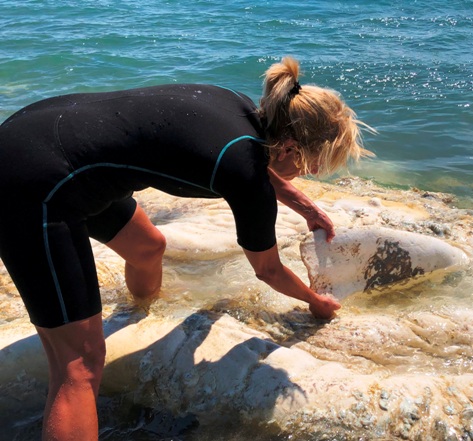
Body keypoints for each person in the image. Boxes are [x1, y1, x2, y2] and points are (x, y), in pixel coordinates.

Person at [0, 56, 372, 441]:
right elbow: (268, 270)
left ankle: (134, 317)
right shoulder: (245, 173)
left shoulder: (239, 109)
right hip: (31, 185)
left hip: (44, 139)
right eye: (311, 165)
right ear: (291, 148)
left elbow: (252, 164)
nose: (308, 172)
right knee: (79, 364)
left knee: (148, 248)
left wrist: (306, 207)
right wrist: (315, 301)